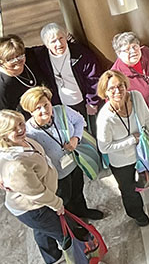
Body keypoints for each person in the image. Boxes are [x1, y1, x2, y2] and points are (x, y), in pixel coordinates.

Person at [0, 109, 109, 264]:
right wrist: (57, 204)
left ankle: (51, 257)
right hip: (33, 207)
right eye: (13, 128)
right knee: (66, 233)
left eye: (21, 123)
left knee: (42, 228)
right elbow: (38, 194)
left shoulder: (23, 141)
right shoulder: (16, 166)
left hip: (33, 205)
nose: (21, 129)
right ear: (3, 134)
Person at [96, 69, 149, 226]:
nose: (118, 91)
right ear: (105, 92)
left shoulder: (135, 96)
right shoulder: (105, 118)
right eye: (112, 88)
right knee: (129, 191)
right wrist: (130, 140)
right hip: (123, 162)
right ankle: (137, 213)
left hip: (145, 151)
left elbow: (148, 117)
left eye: (120, 85)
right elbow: (104, 147)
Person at [21, 86, 104, 219]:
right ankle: (74, 223)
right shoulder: (29, 133)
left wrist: (76, 138)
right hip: (55, 174)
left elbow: (79, 120)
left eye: (46, 105)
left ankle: (83, 211)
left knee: (78, 190)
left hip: (74, 162)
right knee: (64, 199)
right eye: (37, 108)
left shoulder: (61, 111)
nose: (44, 110)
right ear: (30, 111)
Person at [33, 23, 102, 124]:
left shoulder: (80, 53)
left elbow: (93, 78)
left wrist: (92, 102)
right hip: (61, 106)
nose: (59, 44)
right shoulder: (42, 57)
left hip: (84, 103)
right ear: (47, 45)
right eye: (53, 41)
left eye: (61, 38)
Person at [110, 32, 149, 141]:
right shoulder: (115, 78)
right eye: (127, 49)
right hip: (145, 131)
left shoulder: (147, 53)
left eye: (135, 46)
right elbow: (117, 111)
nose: (133, 51)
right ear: (118, 53)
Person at [0, 34, 42, 116]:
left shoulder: (30, 56)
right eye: (10, 59)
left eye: (20, 56)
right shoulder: (2, 85)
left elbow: (46, 50)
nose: (17, 61)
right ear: (1, 62)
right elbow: (6, 115)